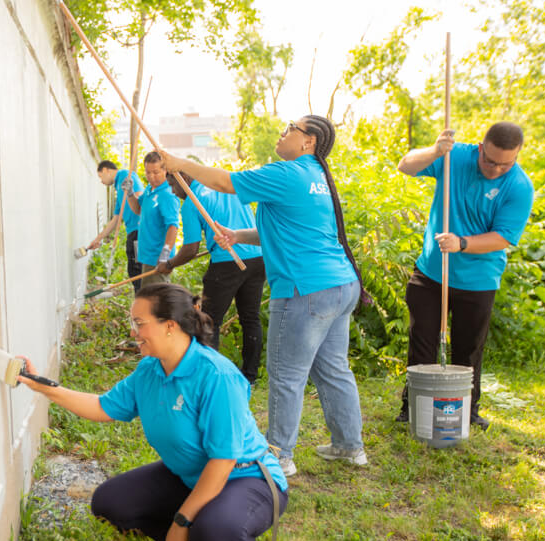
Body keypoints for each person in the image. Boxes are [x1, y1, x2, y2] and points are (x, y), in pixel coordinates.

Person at [18, 283, 288, 541]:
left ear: (170, 326)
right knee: (111, 502)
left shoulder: (216, 376)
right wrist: (43, 386)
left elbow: (222, 462)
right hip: (190, 475)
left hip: (246, 478)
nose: (133, 331)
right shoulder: (150, 370)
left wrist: (182, 520)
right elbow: (103, 407)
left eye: (139, 323)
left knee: (215, 532)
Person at [160, 116, 366, 478]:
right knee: (334, 369)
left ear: (309, 141)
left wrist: (180, 164)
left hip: (307, 290)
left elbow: (224, 182)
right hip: (340, 285)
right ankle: (350, 446)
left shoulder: (288, 173)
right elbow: (292, 229)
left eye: (292, 128)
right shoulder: (316, 177)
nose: (283, 131)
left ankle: (279, 455)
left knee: (286, 374)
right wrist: (238, 235)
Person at [395, 122, 534, 430]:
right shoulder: (454, 156)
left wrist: (463, 243)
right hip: (432, 273)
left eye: (506, 164)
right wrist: (435, 150)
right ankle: (413, 407)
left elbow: (504, 237)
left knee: (467, 349)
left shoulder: (520, 186)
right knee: (422, 343)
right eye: (490, 160)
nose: (496, 169)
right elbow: (406, 165)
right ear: (480, 148)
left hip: (478, 279)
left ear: (517, 156)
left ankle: (466, 410)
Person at [160, 171, 267, 384]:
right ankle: (250, 376)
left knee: (208, 321)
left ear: (183, 179)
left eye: (172, 185)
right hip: (258, 258)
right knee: (251, 317)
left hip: (228, 262)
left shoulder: (192, 203)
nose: (173, 191)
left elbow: (190, 249)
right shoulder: (227, 189)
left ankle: (210, 376)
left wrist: (169, 264)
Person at [90, 161, 146, 290]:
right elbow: (116, 219)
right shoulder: (118, 188)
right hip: (133, 232)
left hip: (139, 231)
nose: (101, 181)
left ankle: (143, 304)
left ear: (106, 170)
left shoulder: (126, 175)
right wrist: (98, 239)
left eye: (100, 176)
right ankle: (140, 301)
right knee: (134, 270)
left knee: (138, 271)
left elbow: (139, 198)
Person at [127, 151, 180, 286]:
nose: (151, 177)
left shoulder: (167, 194)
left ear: (165, 170)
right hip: (147, 255)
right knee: (149, 297)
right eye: (148, 172)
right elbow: (138, 209)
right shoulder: (150, 189)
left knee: (156, 299)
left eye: (155, 172)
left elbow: (173, 226)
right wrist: (130, 193)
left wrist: (165, 253)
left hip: (157, 259)